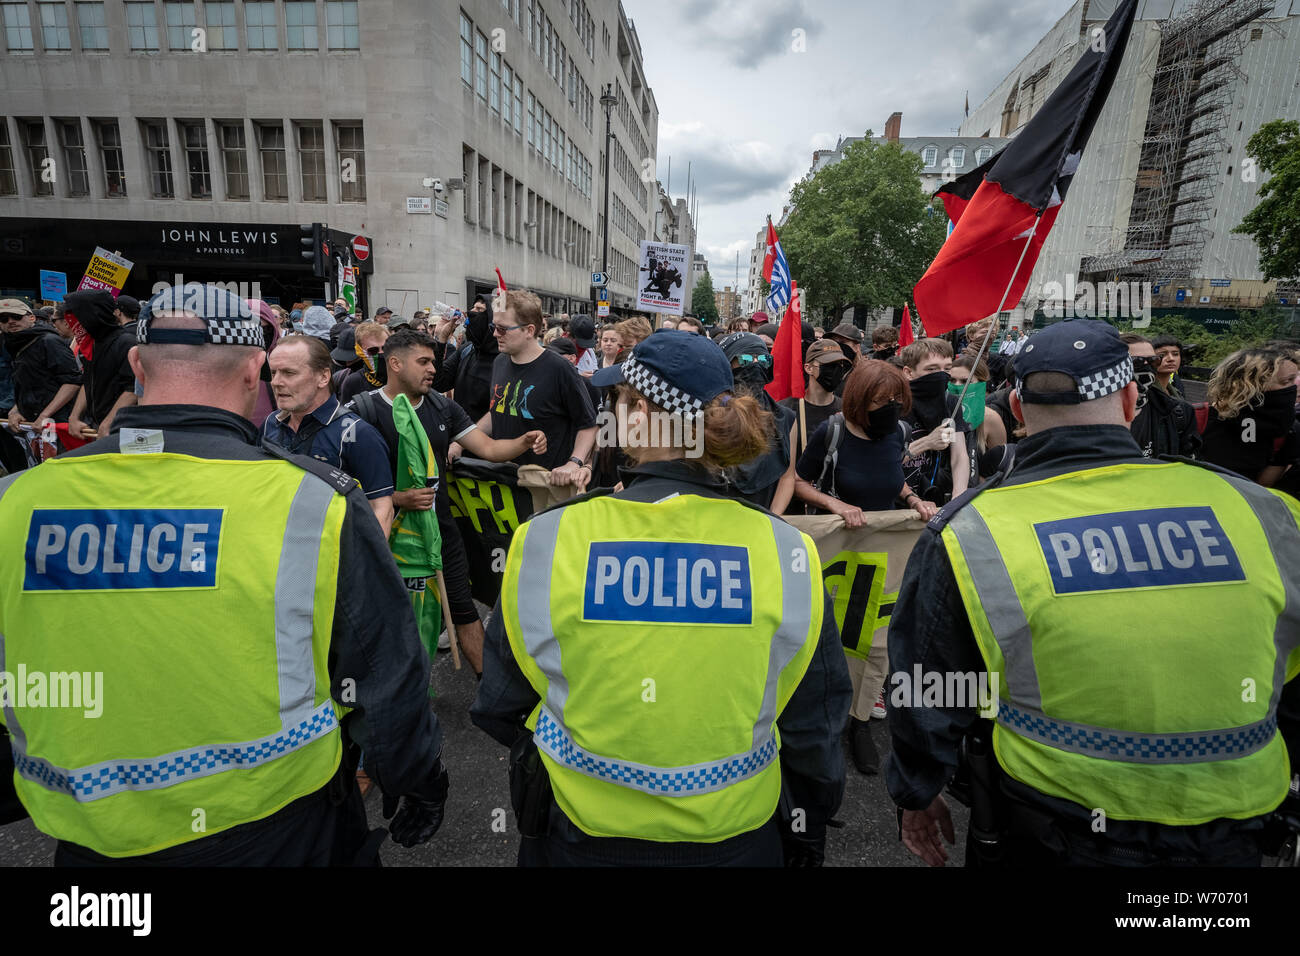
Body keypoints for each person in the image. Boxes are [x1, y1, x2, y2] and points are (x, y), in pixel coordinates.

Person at [0, 284, 449, 865]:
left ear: (137, 365)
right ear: (256, 370)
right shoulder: (312, 503)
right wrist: (415, 778)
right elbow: (385, 673)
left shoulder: (16, 502)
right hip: (277, 827)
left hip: (91, 837)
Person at [887, 318, 1300, 867]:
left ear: (1016, 412)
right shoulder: (1266, 511)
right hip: (1236, 825)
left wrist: (917, 792)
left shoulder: (973, 530)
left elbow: (930, 683)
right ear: (1131, 399)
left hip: (1055, 824)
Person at [471, 330, 851, 866]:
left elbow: (501, 704)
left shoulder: (547, 538)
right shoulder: (786, 550)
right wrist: (808, 830)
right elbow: (815, 724)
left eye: (616, 401)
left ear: (640, 410)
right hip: (737, 835)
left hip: (582, 833)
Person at [348, 327, 547, 674]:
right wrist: (395, 498)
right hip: (386, 541)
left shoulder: (443, 406)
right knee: (392, 622)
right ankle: (406, 700)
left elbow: (489, 449)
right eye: (423, 361)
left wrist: (523, 442)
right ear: (394, 364)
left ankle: (493, 699)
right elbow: (344, 485)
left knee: (466, 614)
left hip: (441, 535)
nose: (432, 369)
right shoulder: (362, 412)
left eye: (434, 362)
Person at [792, 360, 936, 776]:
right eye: (879, 400)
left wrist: (913, 501)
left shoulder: (901, 433)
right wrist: (837, 505)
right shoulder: (832, 431)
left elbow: (895, 479)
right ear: (859, 399)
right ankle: (823, 719)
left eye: (896, 400)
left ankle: (859, 724)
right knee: (830, 635)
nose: (890, 408)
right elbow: (801, 480)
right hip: (839, 554)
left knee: (874, 642)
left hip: (881, 555)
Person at [263, 333, 395, 534]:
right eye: (273, 373)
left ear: (323, 377)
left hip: (335, 558)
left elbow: (381, 508)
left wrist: (369, 563)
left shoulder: (357, 433)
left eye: (289, 373)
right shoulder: (270, 424)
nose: (276, 382)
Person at [480, 290, 597, 491]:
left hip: (547, 486)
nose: (495, 334)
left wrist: (573, 463)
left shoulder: (559, 368)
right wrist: (463, 441)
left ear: (529, 330)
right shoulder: (499, 361)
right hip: (505, 481)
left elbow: (588, 425)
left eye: (502, 329)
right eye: (494, 327)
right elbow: (499, 409)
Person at [1200, 345, 1299, 488]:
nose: (1293, 389)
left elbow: (1262, 487)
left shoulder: (1289, 430)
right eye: (1286, 381)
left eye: (1293, 380)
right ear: (1251, 384)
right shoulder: (1196, 418)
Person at [720, 332, 796, 513]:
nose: (756, 365)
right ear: (727, 363)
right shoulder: (709, 415)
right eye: (745, 359)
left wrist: (772, 518)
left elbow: (787, 478)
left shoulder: (785, 418)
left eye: (763, 359)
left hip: (764, 519)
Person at [899, 338, 970, 504]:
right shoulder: (894, 402)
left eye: (947, 369)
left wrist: (958, 497)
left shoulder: (950, 402)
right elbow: (882, 461)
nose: (941, 375)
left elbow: (959, 455)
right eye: (932, 369)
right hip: (893, 501)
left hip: (933, 499)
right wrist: (927, 443)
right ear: (909, 373)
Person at [2, 298, 82, 441]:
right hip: (32, 422)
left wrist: (44, 415)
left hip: (56, 422)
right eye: (3, 319)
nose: (10, 321)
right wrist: (17, 410)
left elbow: (72, 382)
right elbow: (28, 385)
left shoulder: (49, 341)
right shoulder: (14, 343)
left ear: (31, 318)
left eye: (16, 316)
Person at [63, 290, 137, 440]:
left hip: (126, 429)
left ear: (92, 314)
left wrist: (108, 422)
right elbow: (87, 380)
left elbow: (134, 388)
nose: (71, 322)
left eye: (76, 315)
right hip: (100, 427)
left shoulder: (126, 342)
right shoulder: (91, 344)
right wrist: (74, 417)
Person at [1120, 333, 1201, 460]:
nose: (1146, 367)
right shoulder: (1094, 414)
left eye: (1153, 361)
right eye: (1137, 362)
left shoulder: (1178, 410)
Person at [781, 338, 849, 467]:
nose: (836, 370)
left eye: (840, 365)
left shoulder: (848, 410)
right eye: (828, 365)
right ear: (809, 368)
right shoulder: (785, 410)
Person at [432, 296, 498, 423]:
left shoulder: (506, 358)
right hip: (459, 433)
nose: (471, 312)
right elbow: (438, 383)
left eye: (479, 309)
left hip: (488, 439)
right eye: (472, 307)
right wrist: (441, 339)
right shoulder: (467, 349)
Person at [337, 321, 390, 404]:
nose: (381, 353)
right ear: (360, 351)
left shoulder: (404, 376)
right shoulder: (353, 382)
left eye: (385, 347)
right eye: (373, 350)